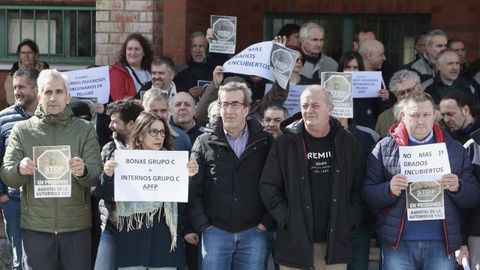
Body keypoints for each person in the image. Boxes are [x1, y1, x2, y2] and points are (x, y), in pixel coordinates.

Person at [362, 91, 480, 270]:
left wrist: (458, 187)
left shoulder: (454, 149)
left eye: (426, 115)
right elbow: (368, 195)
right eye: (414, 115)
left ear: (435, 115)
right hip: (398, 244)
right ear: (403, 117)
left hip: (442, 244)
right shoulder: (384, 148)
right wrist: (389, 189)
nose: (421, 121)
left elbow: (473, 197)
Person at [1, 69, 102, 270]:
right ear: (39, 96)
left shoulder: (85, 129)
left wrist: (83, 171)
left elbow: (95, 174)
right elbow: (7, 174)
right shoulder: (22, 130)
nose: (53, 98)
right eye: (48, 92)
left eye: (58, 92)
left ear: (68, 96)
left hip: (76, 227)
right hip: (36, 229)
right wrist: (20, 170)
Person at [259, 85, 365, 269]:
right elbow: (268, 186)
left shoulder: (348, 142)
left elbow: (360, 187)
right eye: (305, 105)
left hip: (335, 244)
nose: (308, 111)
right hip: (294, 243)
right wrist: (287, 219)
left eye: (315, 105)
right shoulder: (285, 143)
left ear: (330, 109)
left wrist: (349, 220)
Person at [189, 81, 274, 270]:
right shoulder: (204, 142)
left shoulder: (265, 141)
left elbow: (276, 184)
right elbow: (193, 187)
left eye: (235, 104)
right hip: (214, 232)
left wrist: (265, 222)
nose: (229, 110)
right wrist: (203, 226)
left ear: (247, 109)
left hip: (254, 232)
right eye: (224, 104)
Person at [98, 111, 198, 269]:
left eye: (162, 132)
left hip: (164, 244)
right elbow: (105, 195)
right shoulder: (124, 162)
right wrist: (108, 176)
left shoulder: (175, 162)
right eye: (153, 131)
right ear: (139, 135)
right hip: (132, 241)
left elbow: (186, 200)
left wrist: (191, 177)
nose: (159, 136)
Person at [93, 98, 144, 270]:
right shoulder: (108, 149)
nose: (110, 126)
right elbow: (98, 191)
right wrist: (106, 176)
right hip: (112, 226)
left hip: (140, 228)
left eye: (115, 122)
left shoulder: (152, 151)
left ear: (130, 125)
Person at [0, 68, 39, 270]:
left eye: (22, 87)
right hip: (14, 201)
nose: (17, 92)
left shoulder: (48, 117)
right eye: (15, 87)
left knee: (41, 258)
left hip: (44, 201)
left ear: (35, 88)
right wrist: (2, 196)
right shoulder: (3, 119)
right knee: (18, 261)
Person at [174, 31, 228, 98]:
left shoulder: (216, 69)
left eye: (201, 46)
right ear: (190, 49)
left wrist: (205, 91)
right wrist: (187, 94)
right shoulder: (181, 72)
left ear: (206, 48)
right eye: (194, 46)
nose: (197, 50)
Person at [375, 70, 422, 138]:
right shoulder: (384, 118)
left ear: (419, 88)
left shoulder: (436, 112)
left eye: (409, 90)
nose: (406, 95)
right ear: (396, 95)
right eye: (401, 93)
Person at [4, 39, 49, 106]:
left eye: (29, 52)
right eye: (23, 53)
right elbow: (11, 99)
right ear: (19, 55)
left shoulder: (46, 73)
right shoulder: (13, 75)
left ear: (36, 54)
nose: (26, 56)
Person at [109, 33, 153, 100]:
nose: (133, 53)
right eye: (129, 49)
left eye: (137, 49)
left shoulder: (152, 70)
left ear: (144, 52)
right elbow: (119, 100)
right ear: (125, 52)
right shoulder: (116, 73)